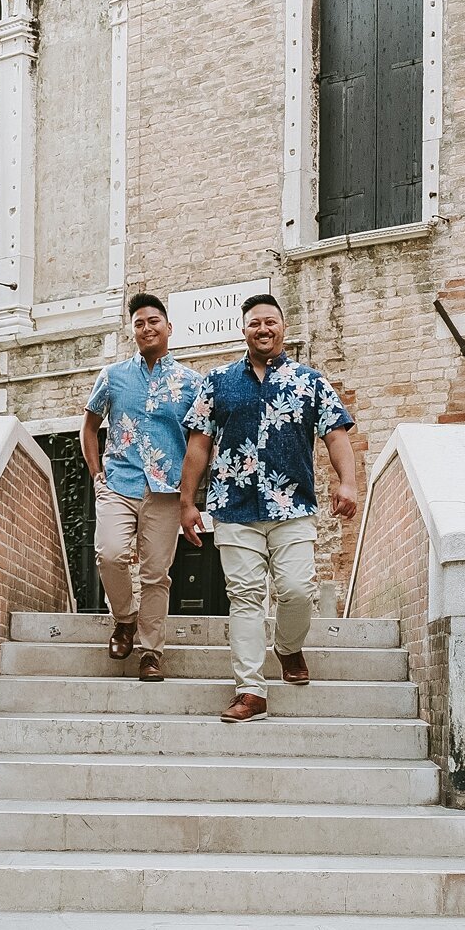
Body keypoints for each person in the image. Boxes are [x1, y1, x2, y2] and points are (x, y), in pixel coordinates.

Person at [178, 293, 358, 723]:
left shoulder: (310, 381)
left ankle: (288, 646)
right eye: (255, 322)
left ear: (283, 328)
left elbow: (336, 435)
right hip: (233, 507)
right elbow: (198, 446)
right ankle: (251, 691)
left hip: (292, 505)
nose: (263, 329)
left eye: (271, 322)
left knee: (297, 590)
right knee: (244, 598)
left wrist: (347, 481)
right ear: (244, 329)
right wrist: (188, 502)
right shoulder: (217, 381)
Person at [82, 293, 208, 682]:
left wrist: (190, 497)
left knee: (156, 573)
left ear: (169, 327)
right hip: (119, 482)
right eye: (139, 323)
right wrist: (95, 472)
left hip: (166, 491)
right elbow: (89, 427)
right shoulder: (112, 376)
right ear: (132, 331)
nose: (147, 328)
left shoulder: (192, 382)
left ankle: (151, 651)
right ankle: (124, 619)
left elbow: (199, 442)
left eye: (154, 321)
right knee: (111, 554)